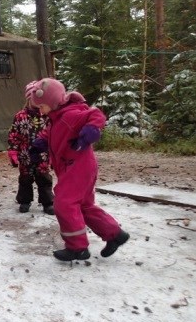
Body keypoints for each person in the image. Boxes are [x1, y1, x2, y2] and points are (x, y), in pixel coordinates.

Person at [26, 78, 130, 261]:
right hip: (75, 168)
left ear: (51, 101)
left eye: (41, 106)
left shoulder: (70, 115)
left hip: (78, 168)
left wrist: (90, 131)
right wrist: (39, 145)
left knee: (64, 203)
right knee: (83, 206)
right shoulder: (56, 118)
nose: (39, 110)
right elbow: (50, 134)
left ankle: (77, 247)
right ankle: (115, 234)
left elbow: (96, 115)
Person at [7, 99, 54, 215]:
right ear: (29, 99)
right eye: (34, 99)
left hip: (43, 154)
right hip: (25, 154)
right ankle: (24, 201)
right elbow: (14, 134)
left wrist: (54, 154)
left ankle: (48, 202)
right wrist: (13, 151)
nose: (37, 102)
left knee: (44, 177)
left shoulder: (47, 115)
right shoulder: (20, 116)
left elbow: (54, 134)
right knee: (25, 177)